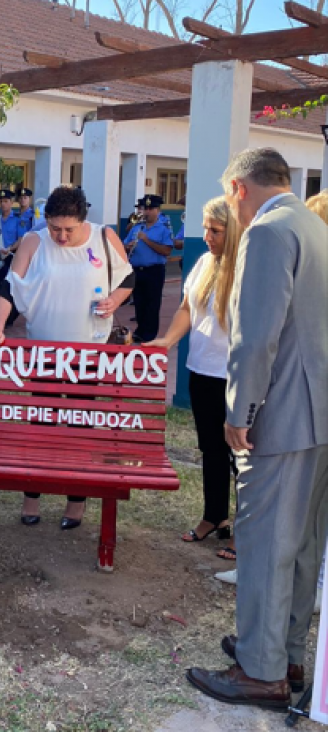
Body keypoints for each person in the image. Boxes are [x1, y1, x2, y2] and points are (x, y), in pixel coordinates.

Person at [187, 148, 328, 710]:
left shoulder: (268, 233)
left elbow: (255, 338)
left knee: (266, 542)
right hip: (317, 413)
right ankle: (284, 652)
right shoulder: (313, 225)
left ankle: (262, 672)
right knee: (300, 544)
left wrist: (238, 414)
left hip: (284, 414)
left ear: (238, 188)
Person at [0, 186, 134, 530]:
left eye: (69, 229)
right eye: (55, 228)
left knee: (79, 424)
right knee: (42, 422)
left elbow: (129, 278)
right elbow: (10, 287)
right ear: (46, 221)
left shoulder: (104, 237)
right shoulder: (35, 242)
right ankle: (33, 494)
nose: (61, 236)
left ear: (83, 220)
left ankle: (76, 500)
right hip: (44, 349)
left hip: (88, 349)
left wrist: (114, 300)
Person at [145, 197, 242, 559]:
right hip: (201, 371)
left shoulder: (249, 268)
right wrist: (166, 341)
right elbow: (187, 309)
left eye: (215, 231)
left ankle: (242, 531)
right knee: (211, 450)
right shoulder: (203, 262)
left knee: (240, 458)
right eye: (205, 229)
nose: (207, 237)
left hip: (234, 376)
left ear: (234, 232)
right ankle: (214, 517)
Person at [124, 194, 174, 343]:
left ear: (157, 210)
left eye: (151, 208)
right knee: (139, 302)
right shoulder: (137, 227)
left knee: (152, 303)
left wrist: (146, 240)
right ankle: (140, 330)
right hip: (137, 269)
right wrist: (127, 246)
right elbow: (124, 244)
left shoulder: (163, 229)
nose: (147, 211)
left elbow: (166, 251)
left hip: (154, 270)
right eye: (146, 208)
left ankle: (150, 334)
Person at [0, 189, 19, 263]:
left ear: (11, 203)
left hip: (10, 255)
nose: (2, 204)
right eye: (1, 201)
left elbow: (21, 240)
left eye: (5, 201)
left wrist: (11, 248)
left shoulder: (17, 219)